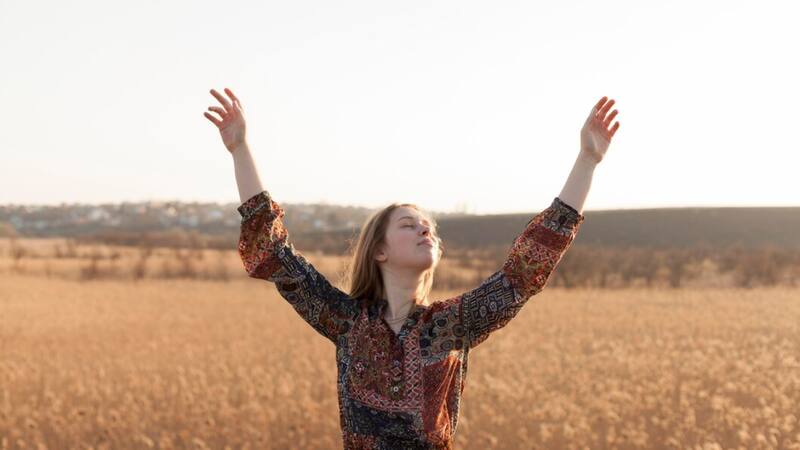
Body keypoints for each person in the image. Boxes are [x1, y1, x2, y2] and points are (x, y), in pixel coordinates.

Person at [204, 88, 619, 449]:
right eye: (409, 225)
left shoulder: (453, 324)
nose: (425, 230)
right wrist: (241, 148)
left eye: (430, 228)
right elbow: (274, 253)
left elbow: (525, 271)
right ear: (379, 251)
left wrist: (587, 160)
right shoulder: (347, 321)